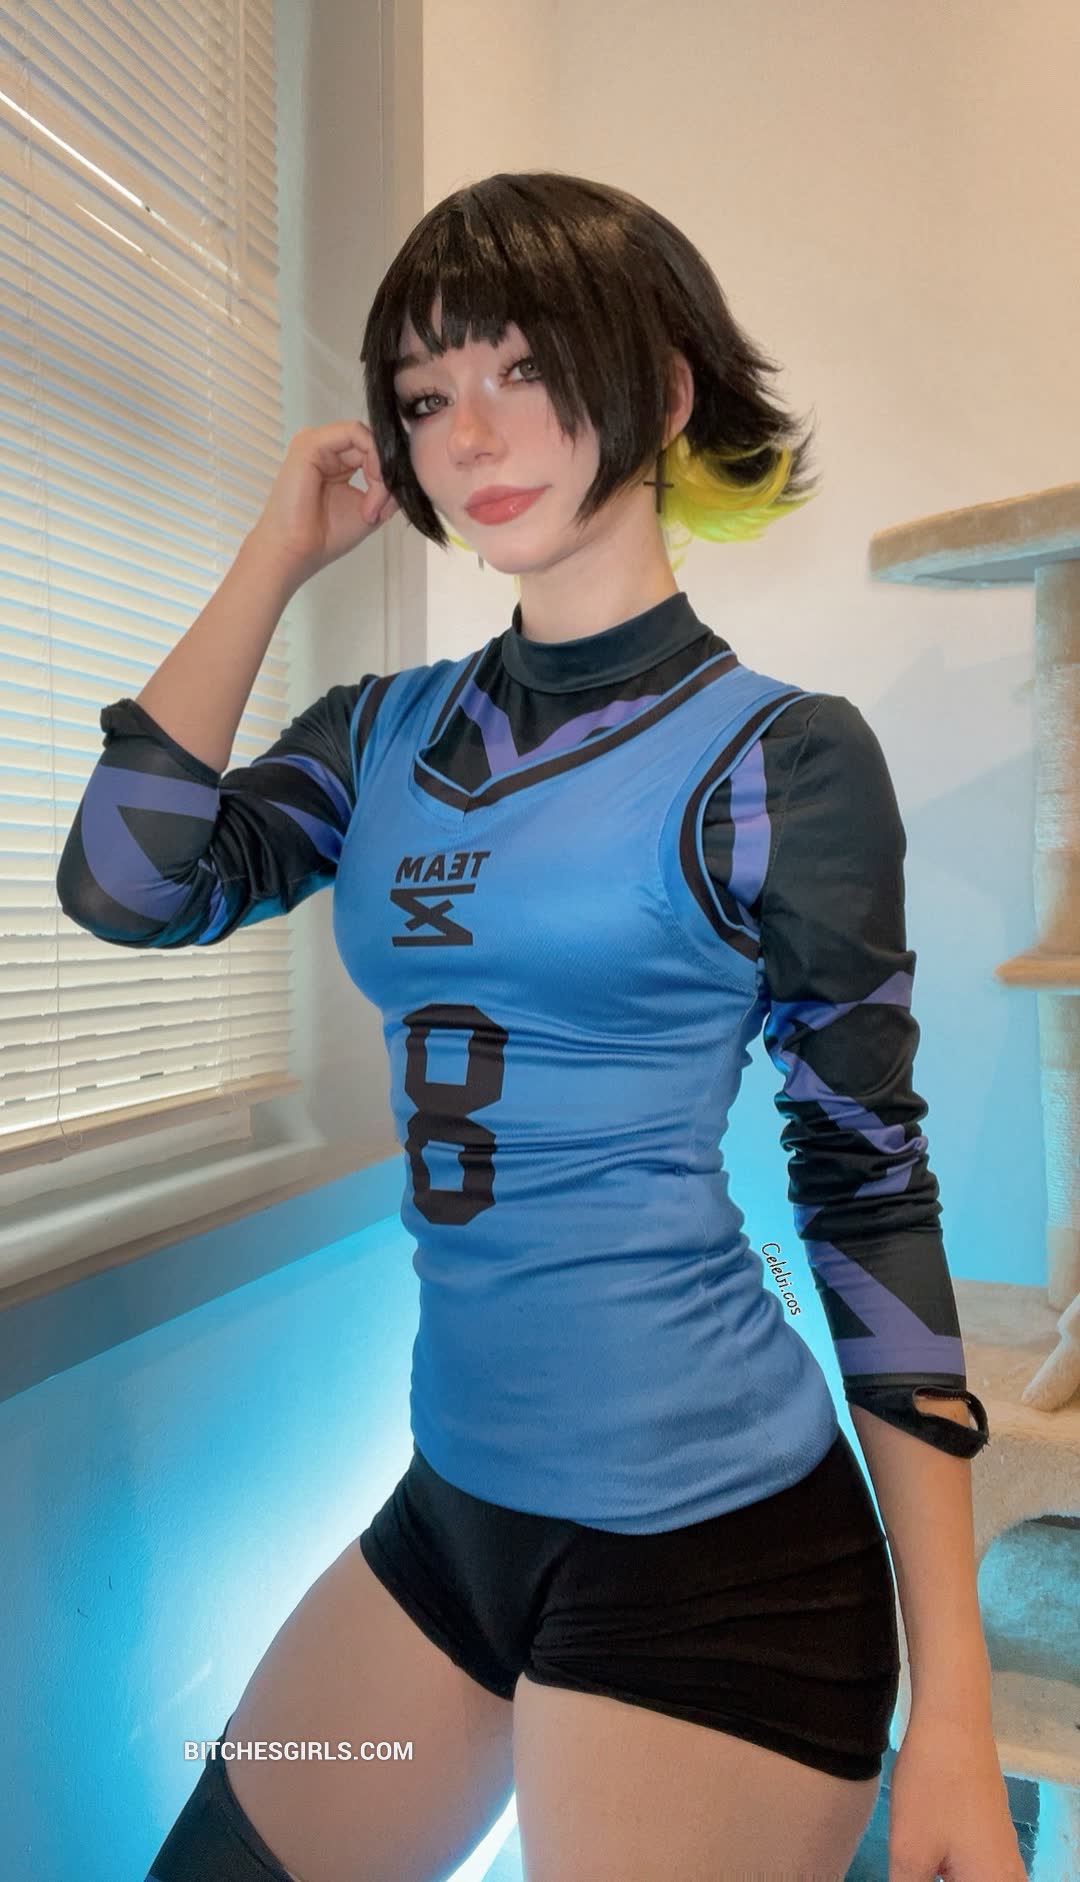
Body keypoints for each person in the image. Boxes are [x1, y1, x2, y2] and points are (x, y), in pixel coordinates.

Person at [56, 172, 1023, 1882]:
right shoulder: (378, 736)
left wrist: (955, 1705)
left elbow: (868, 1190)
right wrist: (276, 553)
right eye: (426, 395)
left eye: (523, 368)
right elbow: (128, 882)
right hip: (458, 1519)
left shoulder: (781, 762)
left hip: (718, 1560)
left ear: (661, 388)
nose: (472, 435)